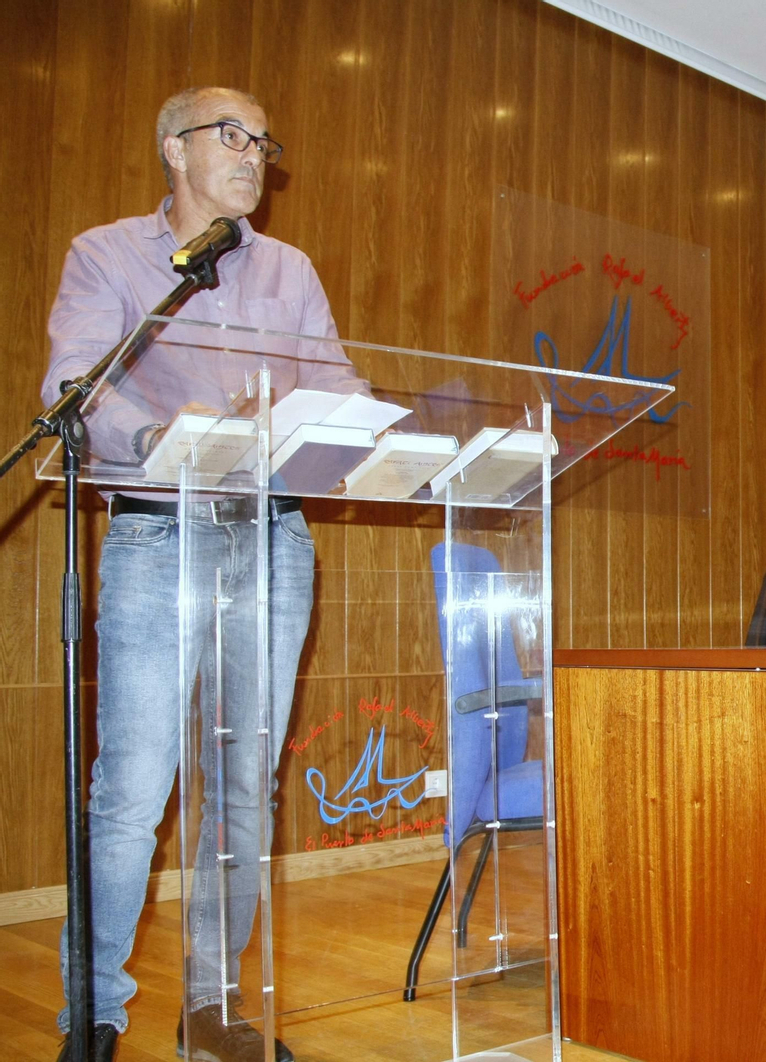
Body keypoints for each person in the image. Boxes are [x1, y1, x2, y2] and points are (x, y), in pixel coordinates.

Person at [41, 87, 365, 1062]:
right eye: (233, 136)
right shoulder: (109, 254)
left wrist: (361, 420)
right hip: (158, 535)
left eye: (264, 141)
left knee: (243, 791)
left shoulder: (290, 268)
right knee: (133, 790)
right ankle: (94, 1016)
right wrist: (164, 435)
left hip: (270, 539)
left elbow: (335, 378)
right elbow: (76, 385)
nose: (254, 154)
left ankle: (213, 1008)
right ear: (174, 150)